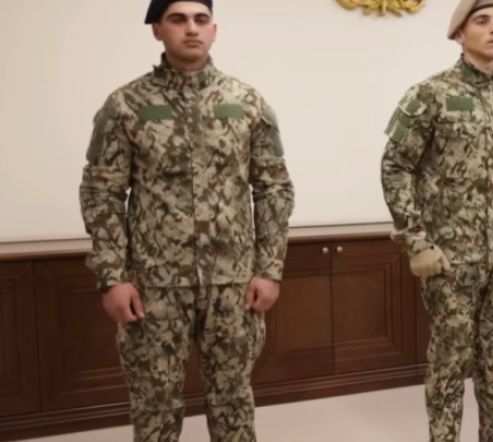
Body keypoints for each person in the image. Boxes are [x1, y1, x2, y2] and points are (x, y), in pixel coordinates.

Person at [78, 1, 294, 440]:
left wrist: (269, 268)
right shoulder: (126, 105)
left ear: (214, 29)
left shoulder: (246, 102)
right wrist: (113, 276)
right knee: (154, 406)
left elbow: (273, 188)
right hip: (153, 286)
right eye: (177, 20)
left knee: (233, 402)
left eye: (201, 19)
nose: (191, 29)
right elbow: (101, 193)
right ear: (157, 30)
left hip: (233, 284)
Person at [380, 1, 493, 440]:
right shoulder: (430, 94)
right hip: (450, 259)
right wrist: (416, 242)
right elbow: (396, 167)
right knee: (449, 364)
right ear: (459, 34)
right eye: (482, 21)